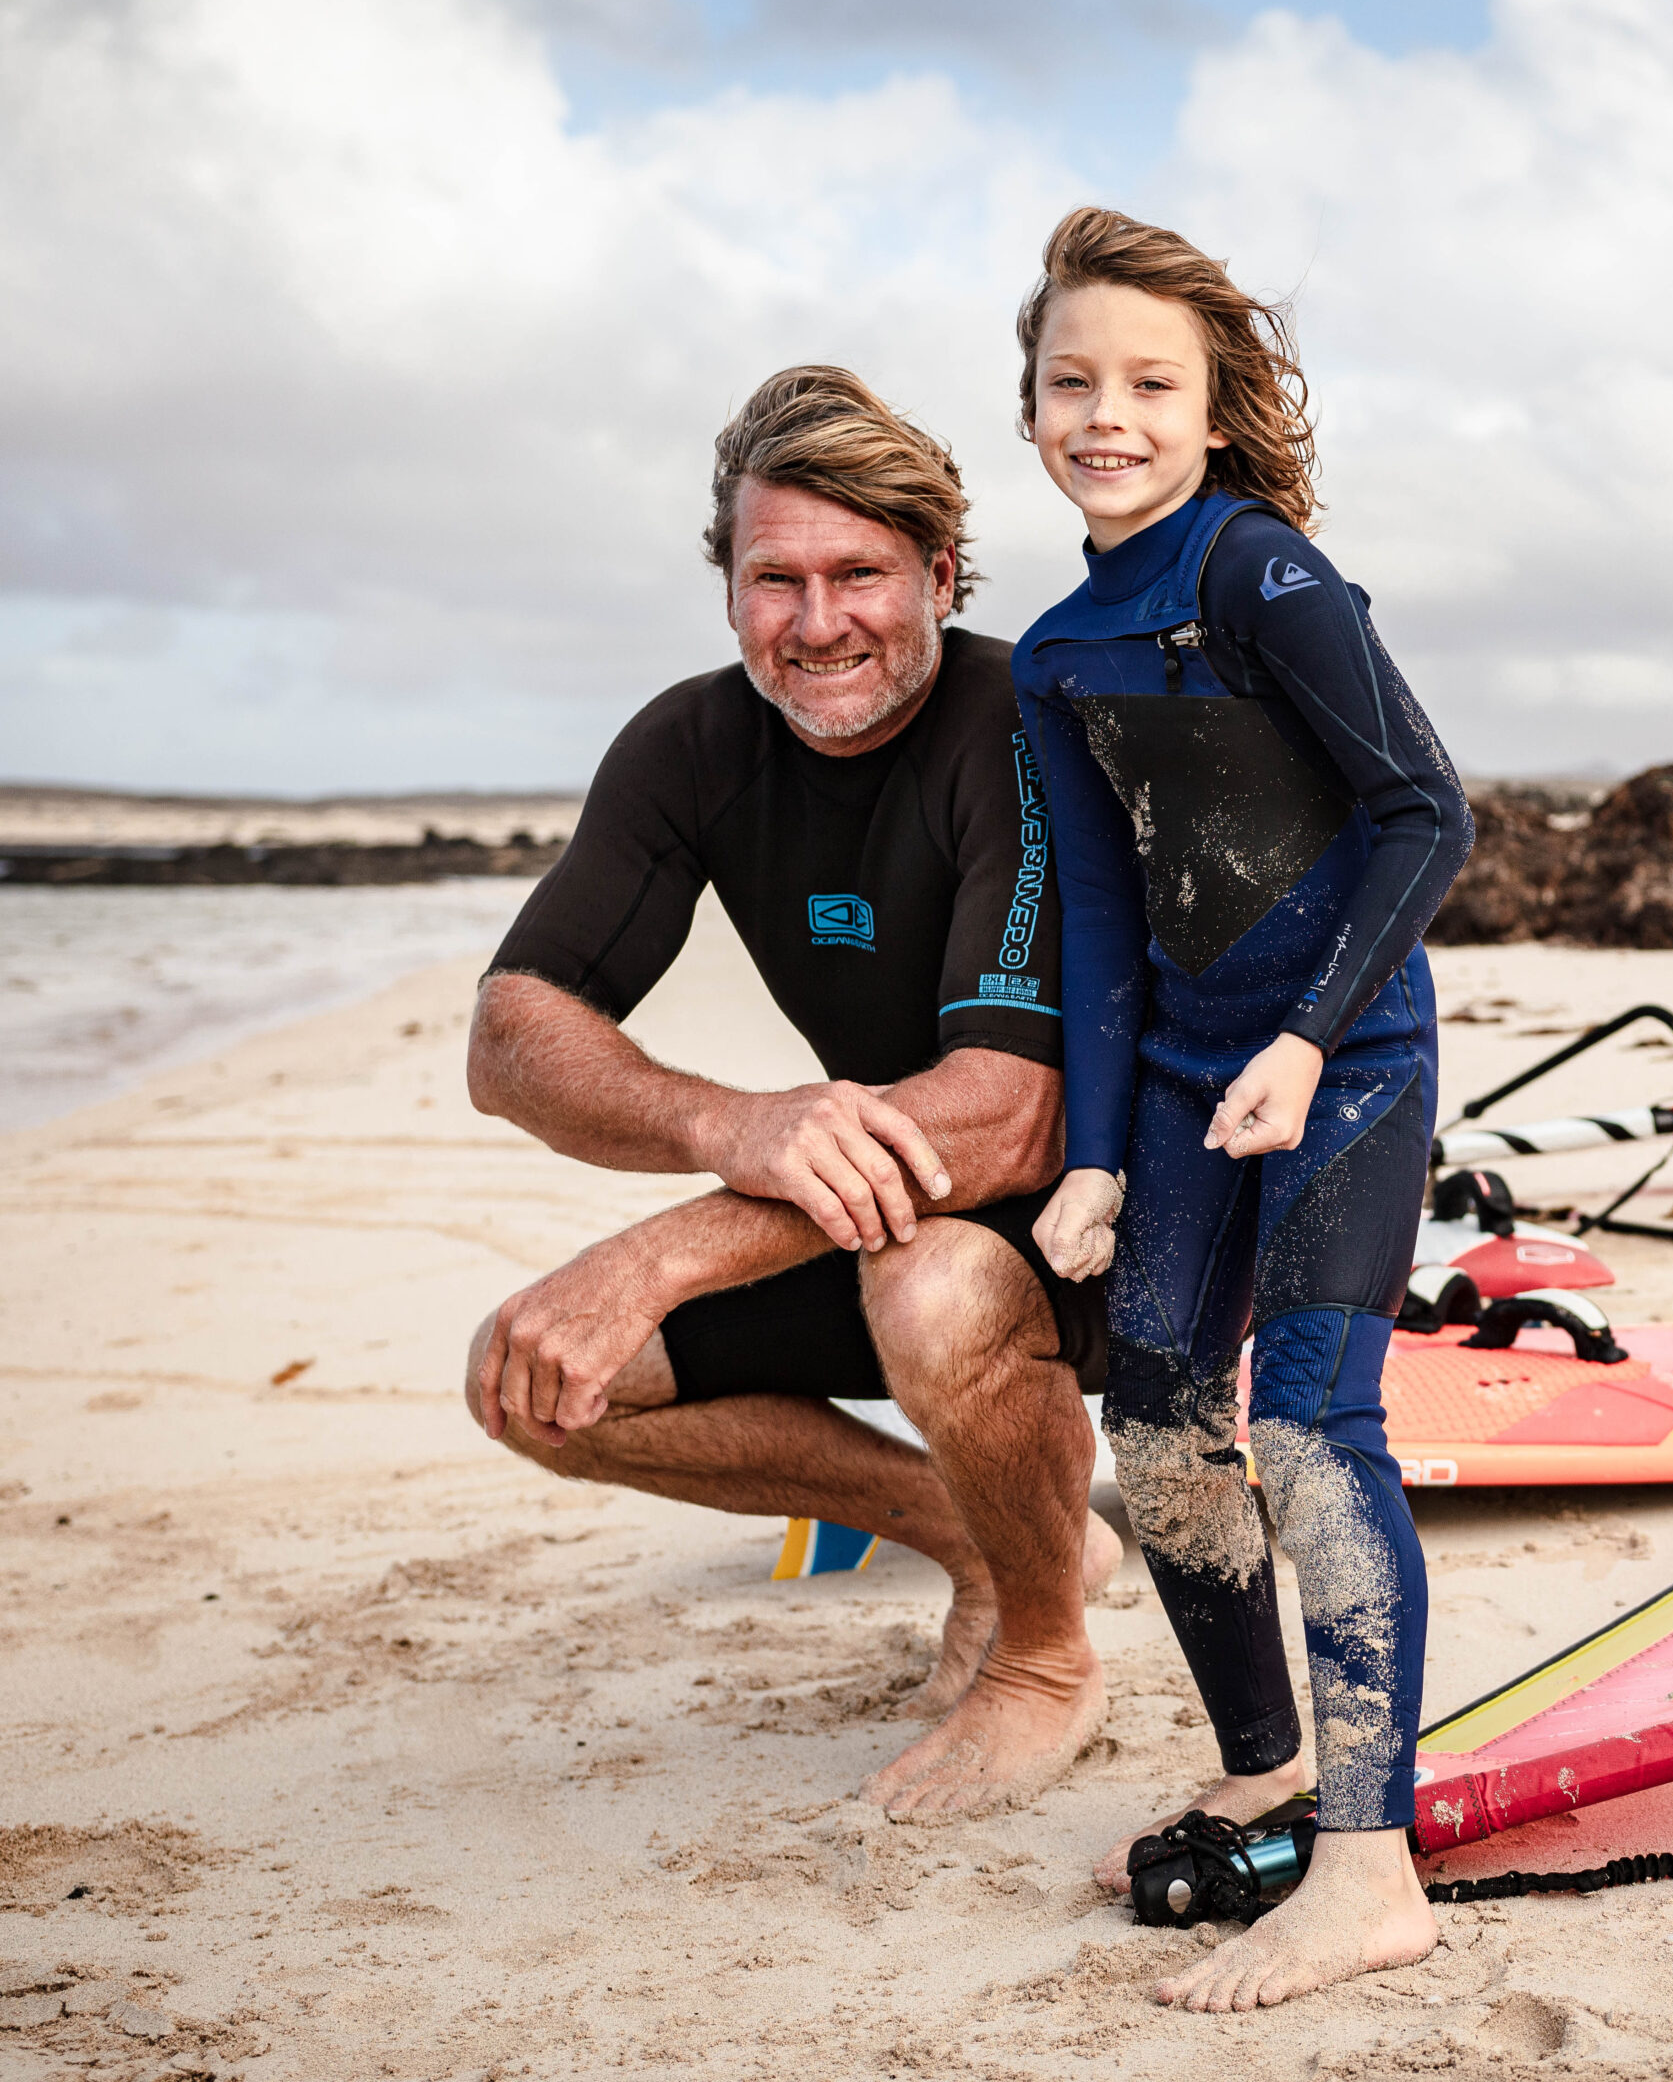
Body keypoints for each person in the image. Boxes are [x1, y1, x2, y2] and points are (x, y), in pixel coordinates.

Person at [463, 365, 1115, 1822]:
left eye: (859, 574)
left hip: (1116, 1222)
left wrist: (656, 1255)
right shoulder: (694, 746)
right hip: (885, 1211)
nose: (817, 624)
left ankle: (1048, 1658)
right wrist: (731, 1123)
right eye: (776, 580)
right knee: (538, 1380)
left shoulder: (1026, 725)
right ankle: (984, 1533)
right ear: (729, 591)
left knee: (931, 1289)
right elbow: (510, 1035)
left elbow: (1010, 1111)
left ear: (940, 574)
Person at [1009, 208, 1473, 2012]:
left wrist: (1304, 1038)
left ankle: (1368, 1866)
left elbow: (1425, 810)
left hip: (1343, 1061)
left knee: (1311, 1426)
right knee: (1153, 1409)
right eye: (1073, 383)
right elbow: (1102, 913)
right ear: (1031, 408)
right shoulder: (1058, 649)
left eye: (1151, 385)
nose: (1107, 417)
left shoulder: (1264, 575)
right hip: (1183, 1078)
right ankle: (1268, 1766)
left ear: (1213, 413)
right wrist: (1095, 1157)